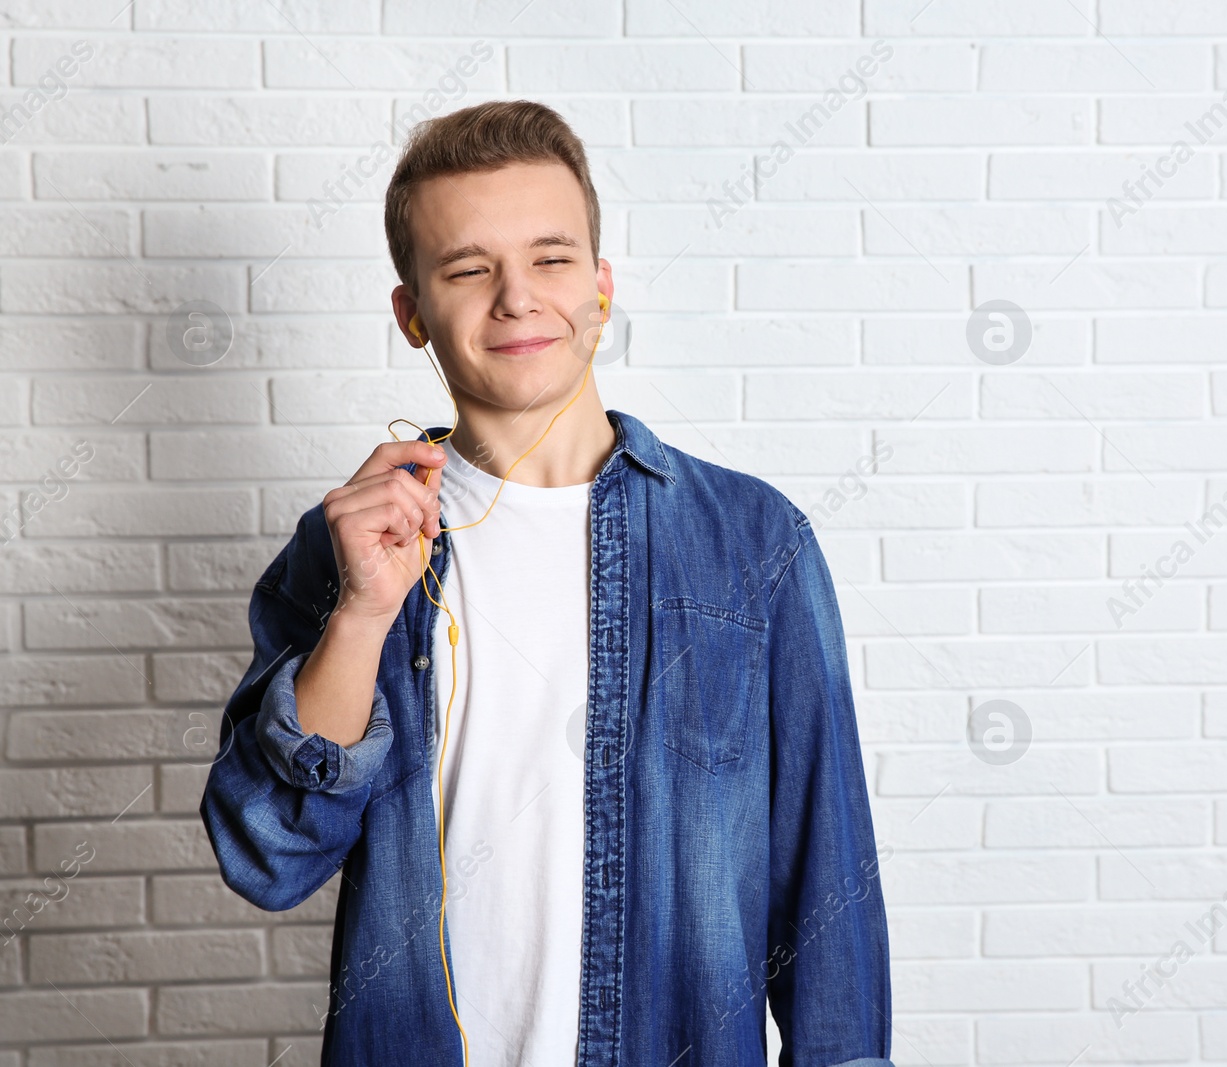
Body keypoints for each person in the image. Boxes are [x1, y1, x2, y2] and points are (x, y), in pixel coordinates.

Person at [199, 99, 894, 1067]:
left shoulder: (753, 542)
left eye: (551, 258)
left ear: (602, 288)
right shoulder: (350, 544)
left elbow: (827, 893)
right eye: (469, 268)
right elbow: (267, 853)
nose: (516, 297)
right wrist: (361, 613)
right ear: (411, 313)